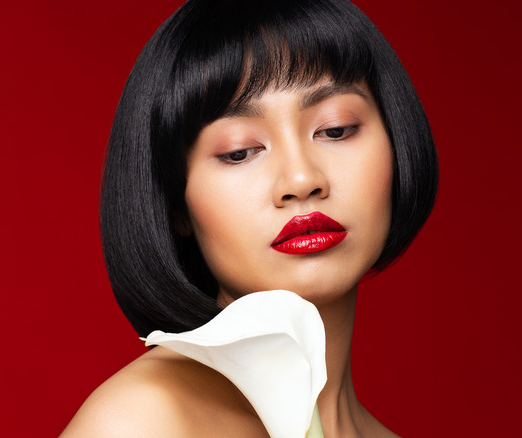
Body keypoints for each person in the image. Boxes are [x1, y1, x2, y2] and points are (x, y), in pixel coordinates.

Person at [62, 0, 437, 436]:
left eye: (335, 129)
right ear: (177, 204)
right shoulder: (142, 421)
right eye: (239, 152)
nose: (301, 179)